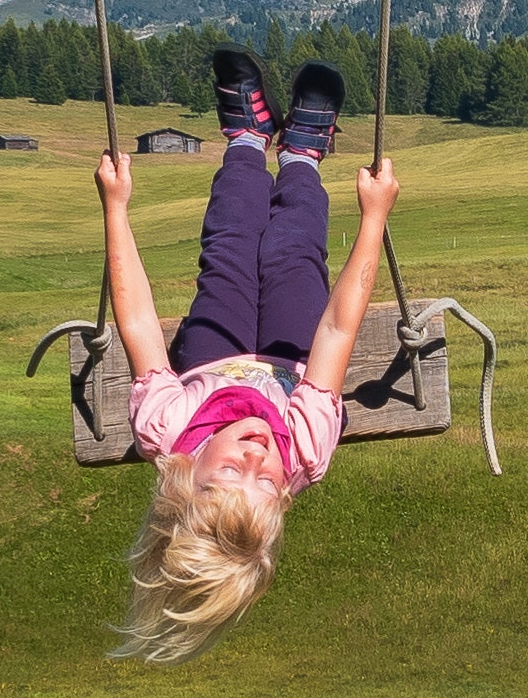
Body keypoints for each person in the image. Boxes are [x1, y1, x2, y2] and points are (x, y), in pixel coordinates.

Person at [92, 51, 399, 664]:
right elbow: (338, 330)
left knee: (230, 244)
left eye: (230, 473)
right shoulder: (305, 445)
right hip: (291, 363)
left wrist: (116, 207)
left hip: (212, 357)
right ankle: (302, 157)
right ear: (284, 498)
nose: (257, 459)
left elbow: (137, 321)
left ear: (185, 475)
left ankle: (247, 141)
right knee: (292, 253)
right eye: (266, 482)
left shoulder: (167, 428)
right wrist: (373, 219)